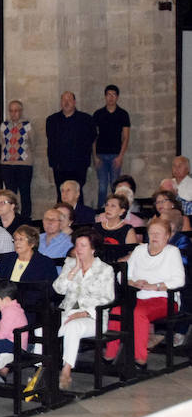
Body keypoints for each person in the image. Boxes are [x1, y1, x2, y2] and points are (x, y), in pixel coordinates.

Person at [106, 218, 185, 369]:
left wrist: (154, 286)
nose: (154, 236)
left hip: (164, 299)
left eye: (158, 233)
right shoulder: (140, 250)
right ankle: (110, 354)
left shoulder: (172, 252)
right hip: (139, 296)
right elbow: (121, 274)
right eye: (151, 233)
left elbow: (179, 280)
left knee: (138, 313)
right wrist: (132, 282)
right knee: (117, 311)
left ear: (167, 236)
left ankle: (140, 358)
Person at [52, 228, 114, 390]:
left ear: (93, 249)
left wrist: (84, 312)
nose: (78, 249)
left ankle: (66, 370)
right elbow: (58, 289)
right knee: (42, 330)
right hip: (67, 312)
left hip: (94, 317)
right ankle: (42, 371)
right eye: (77, 245)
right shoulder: (70, 264)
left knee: (74, 326)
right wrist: (73, 271)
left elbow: (106, 298)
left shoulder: (105, 269)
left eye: (83, 245)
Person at [46, 91, 97, 204]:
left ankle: (79, 221)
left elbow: (92, 138)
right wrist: (53, 162)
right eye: (64, 100)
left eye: (69, 100)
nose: (66, 102)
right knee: (61, 194)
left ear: (74, 102)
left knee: (77, 194)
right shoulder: (52, 120)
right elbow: (51, 141)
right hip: (59, 166)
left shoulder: (86, 119)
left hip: (78, 165)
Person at [92, 85, 131, 208]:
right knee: (102, 187)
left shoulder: (123, 114)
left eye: (113, 95)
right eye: (108, 94)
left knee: (115, 187)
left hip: (115, 155)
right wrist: (95, 157)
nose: (111, 97)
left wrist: (120, 157)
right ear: (105, 96)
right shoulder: (98, 114)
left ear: (117, 97)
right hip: (101, 155)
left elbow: (126, 137)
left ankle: (117, 211)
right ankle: (100, 213)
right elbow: (93, 137)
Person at [0, 99, 34, 218]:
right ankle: (11, 216)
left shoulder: (27, 125)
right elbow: (2, 141)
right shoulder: (4, 125)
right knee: (10, 194)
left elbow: (32, 142)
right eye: (11, 111)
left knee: (25, 192)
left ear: (21, 111)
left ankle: (26, 217)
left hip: (24, 164)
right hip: (7, 164)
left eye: (16, 111)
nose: (14, 113)